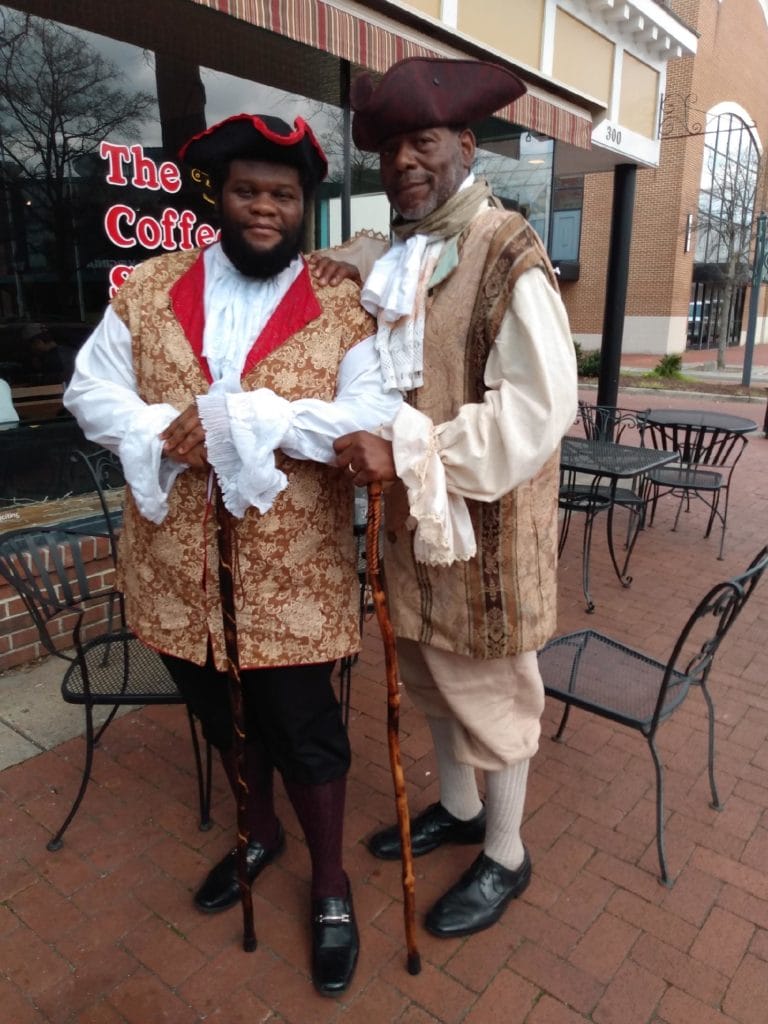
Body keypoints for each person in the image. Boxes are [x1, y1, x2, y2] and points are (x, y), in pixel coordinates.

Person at [63, 112, 402, 996]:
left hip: (293, 579)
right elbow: (88, 390)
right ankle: (259, 834)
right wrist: (160, 429)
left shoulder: (342, 307)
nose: (264, 209)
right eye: (248, 191)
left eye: (282, 196)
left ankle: (327, 882)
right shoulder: (146, 290)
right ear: (218, 196)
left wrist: (253, 419)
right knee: (221, 716)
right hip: (176, 571)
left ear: (303, 207)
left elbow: (364, 418)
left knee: (307, 731)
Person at [317, 57, 578, 939]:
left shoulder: (510, 254)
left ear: (466, 145)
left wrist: (400, 449)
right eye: (389, 148)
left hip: (489, 537)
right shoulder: (398, 254)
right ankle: (460, 812)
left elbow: (537, 415)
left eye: (421, 141)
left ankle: (504, 852)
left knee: (495, 698)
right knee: (432, 677)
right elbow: (332, 270)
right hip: (418, 531)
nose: (403, 163)